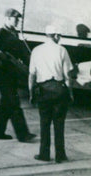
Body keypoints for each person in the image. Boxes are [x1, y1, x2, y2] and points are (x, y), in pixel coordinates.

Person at [0, 9, 36, 143]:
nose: (18, 21)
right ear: (7, 19)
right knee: (13, 102)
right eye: (15, 19)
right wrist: (3, 55)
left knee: (6, 103)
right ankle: (23, 134)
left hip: (12, 72)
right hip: (2, 72)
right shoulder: (0, 32)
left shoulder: (14, 33)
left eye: (19, 19)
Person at [29, 24, 74, 163]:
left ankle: (44, 154)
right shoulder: (62, 50)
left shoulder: (36, 50)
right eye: (59, 35)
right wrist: (70, 93)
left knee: (45, 123)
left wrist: (31, 93)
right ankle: (60, 155)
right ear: (55, 36)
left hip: (43, 90)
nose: (60, 38)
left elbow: (32, 75)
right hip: (59, 89)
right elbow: (68, 76)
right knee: (59, 124)